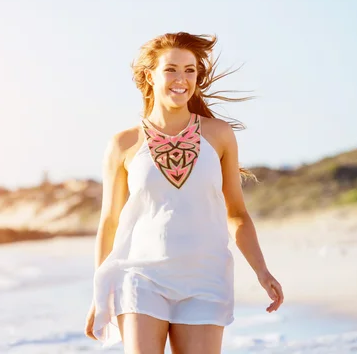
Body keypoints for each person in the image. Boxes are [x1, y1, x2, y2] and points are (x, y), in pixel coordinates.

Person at [83, 32, 284, 354]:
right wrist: (99, 293)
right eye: (171, 69)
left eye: (190, 70)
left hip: (205, 277)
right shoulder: (123, 143)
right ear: (149, 75)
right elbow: (110, 222)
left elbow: (236, 213)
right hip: (140, 275)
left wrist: (262, 271)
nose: (182, 79)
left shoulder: (219, 135)